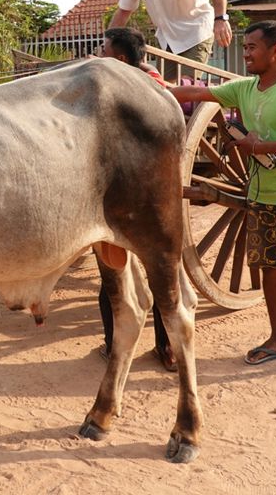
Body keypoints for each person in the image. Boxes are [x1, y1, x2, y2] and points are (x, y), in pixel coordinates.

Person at [168, 20, 276, 387]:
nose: (246, 53)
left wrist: (260, 147)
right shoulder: (245, 89)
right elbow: (200, 95)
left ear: (275, 51)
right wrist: (156, 87)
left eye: (252, 48)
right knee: (269, 269)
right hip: (260, 197)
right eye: (245, 47)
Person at [94, 27, 177, 372]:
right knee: (116, 274)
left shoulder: (151, 91)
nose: (98, 55)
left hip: (140, 191)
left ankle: (166, 346)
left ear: (122, 61)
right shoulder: (120, 87)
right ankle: (116, 344)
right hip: (116, 188)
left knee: (158, 268)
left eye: (104, 51)